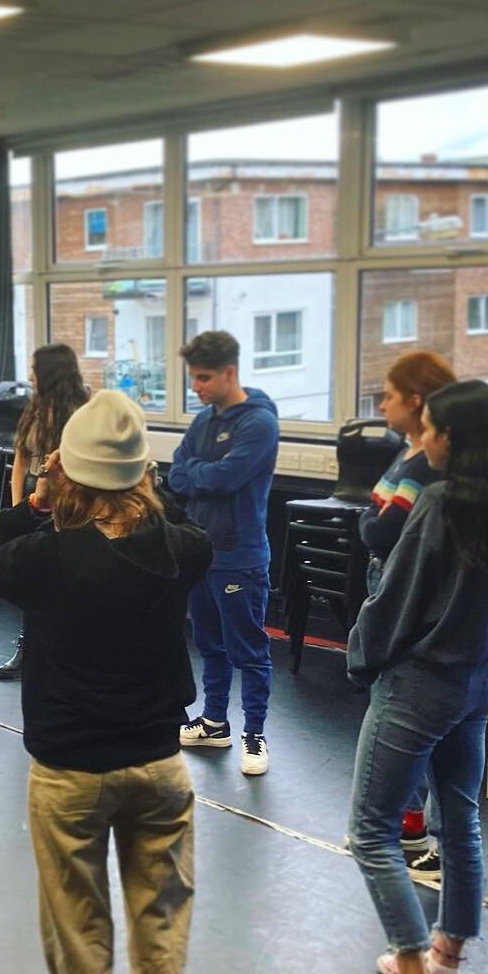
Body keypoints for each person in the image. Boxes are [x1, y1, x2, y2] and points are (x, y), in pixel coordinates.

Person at [0, 392, 212, 974]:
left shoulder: (45, 555)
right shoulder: (182, 550)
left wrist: (41, 494)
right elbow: (172, 519)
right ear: (140, 471)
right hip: (160, 769)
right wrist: (137, 483)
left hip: (69, 777)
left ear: (67, 468)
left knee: (82, 945)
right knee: (162, 939)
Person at [347, 379, 488, 974]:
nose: (423, 438)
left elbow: (394, 604)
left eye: (430, 428)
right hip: (477, 681)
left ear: (454, 439)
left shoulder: (438, 505)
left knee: (373, 831)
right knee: (458, 819)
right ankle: (445, 961)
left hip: (419, 685)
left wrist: (363, 661)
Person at [357, 352, 457, 882]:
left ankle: (408, 833)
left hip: (411, 612)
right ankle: (414, 828)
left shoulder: (424, 468)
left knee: (405, 719)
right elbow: (377, 518)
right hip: (395, 590)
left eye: (389, 396)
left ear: (415, 401)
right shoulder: (409, 454)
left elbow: (378, 530)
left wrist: (373, 519)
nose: (381, 405)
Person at [168, 331, 280, 777]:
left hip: (241, 557)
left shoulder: (259, 423)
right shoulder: (203, 421)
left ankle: (255, 733)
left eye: (203, 378)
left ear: (229, 373)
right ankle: (215, 721)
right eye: (193, 377)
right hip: (201, 552)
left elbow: (225, 478)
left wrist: (200, 473)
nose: (196, 386)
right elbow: (177, 474)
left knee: (249, 650)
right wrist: (202, 472)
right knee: (210, 645)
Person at [0, 343, 89, 681]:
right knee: (31, 574)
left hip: (71, 499)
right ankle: (27, 648)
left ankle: (69, 651)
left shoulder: (83, 408)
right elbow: (21, 457)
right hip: (38, 496)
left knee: (67, 579)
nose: (30, 375)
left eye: (35, 368)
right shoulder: (33, 408)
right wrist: (19, 505)